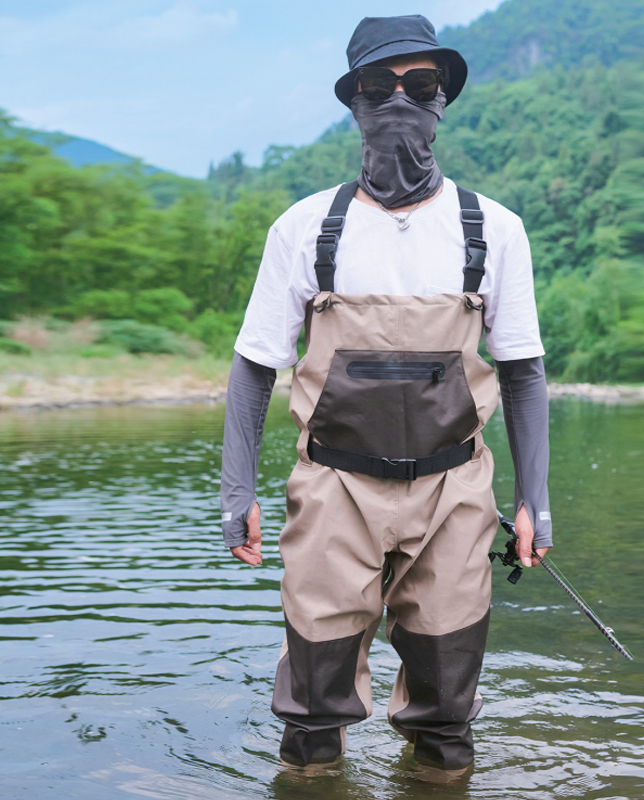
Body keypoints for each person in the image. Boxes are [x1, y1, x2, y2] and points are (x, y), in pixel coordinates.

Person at [220, 15, 552, 773]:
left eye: (420, 84)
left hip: (456, 494)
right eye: (379, 85)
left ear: (443, 101)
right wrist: (236, 487)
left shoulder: (494, 230)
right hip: (333, 487)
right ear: (355, 102)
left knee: (446, 715)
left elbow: (523, 371)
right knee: (311, 713)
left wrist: (536, 498)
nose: (399, 100)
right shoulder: (305, 228)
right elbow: (253, 366)